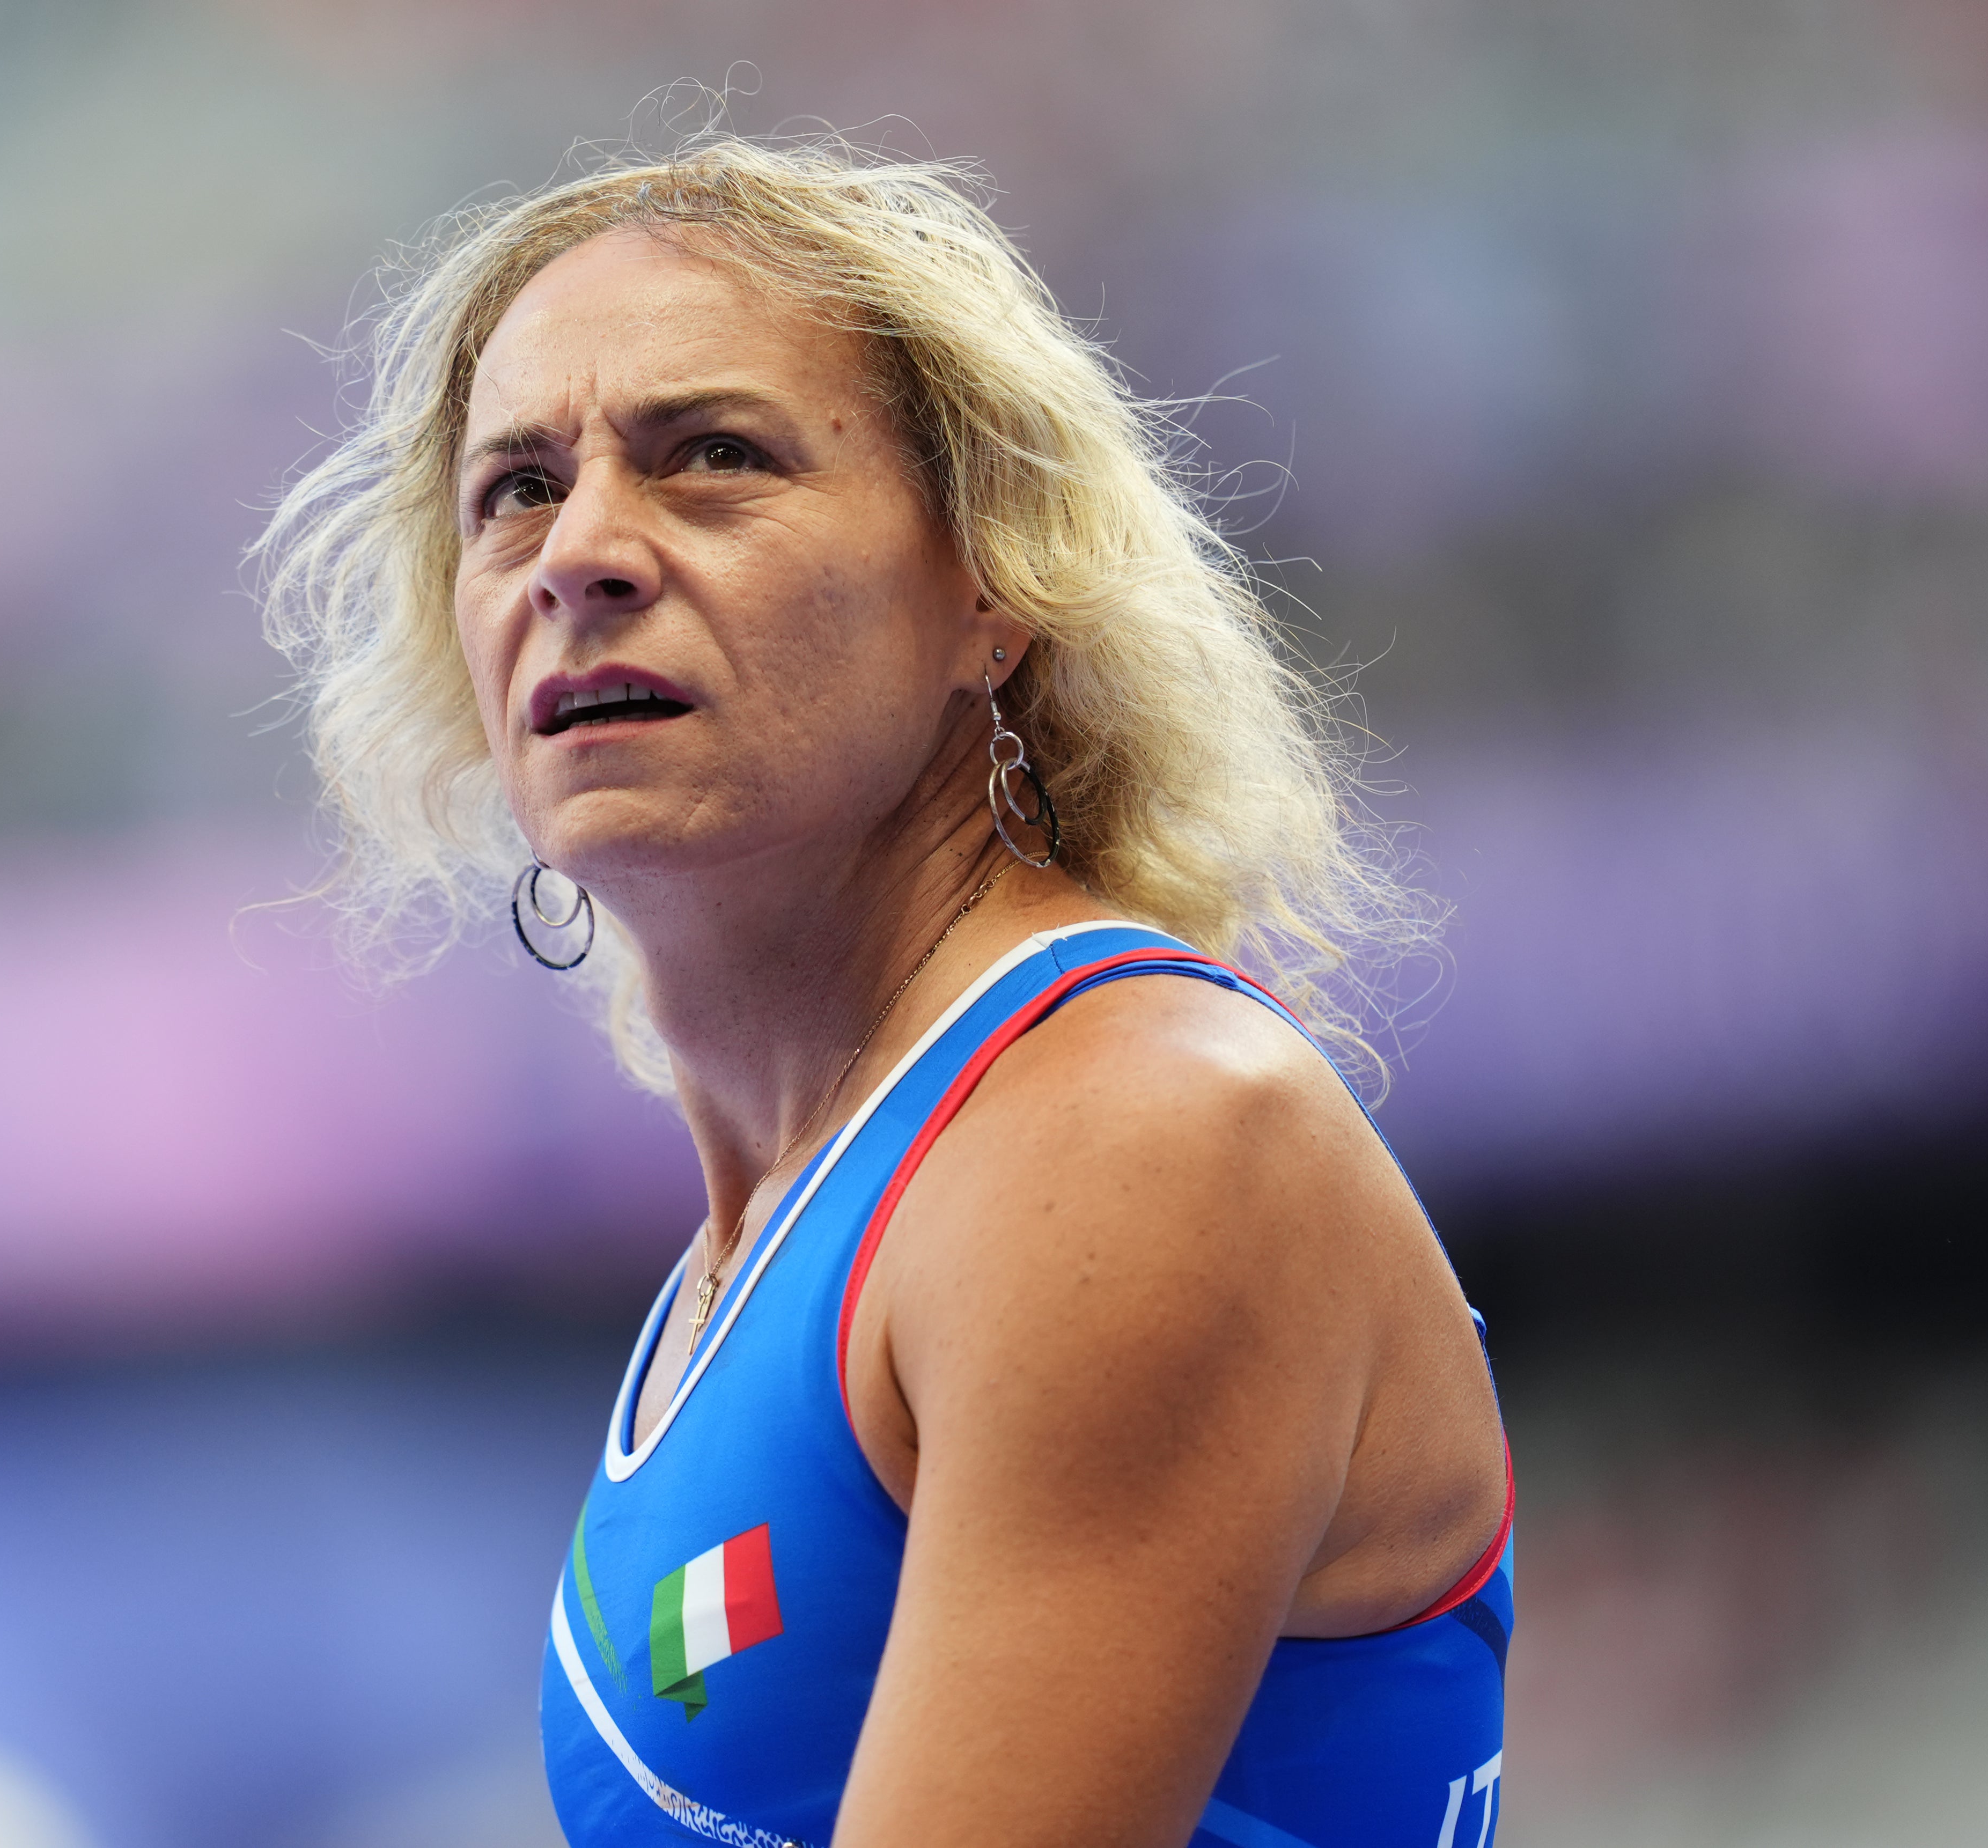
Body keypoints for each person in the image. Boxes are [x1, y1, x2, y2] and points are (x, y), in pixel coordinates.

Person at [262, 135, 1511, 1848]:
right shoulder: (779, 1226)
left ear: (990, 587)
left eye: (713, 458)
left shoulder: (1134, 1139)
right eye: (517, 490)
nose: (582, 555)